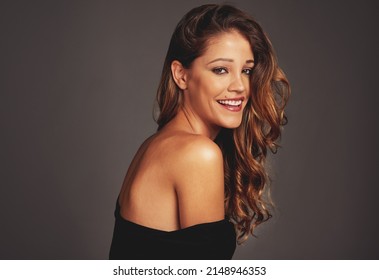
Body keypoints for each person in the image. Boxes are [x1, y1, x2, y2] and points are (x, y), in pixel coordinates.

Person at [109, 4, 290, 260]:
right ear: (181, 75)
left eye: (246, 70)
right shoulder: (197, 153)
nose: (240, 86)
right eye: (220, 70)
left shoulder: (155, 145)